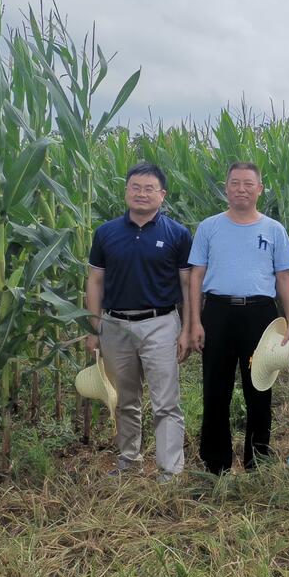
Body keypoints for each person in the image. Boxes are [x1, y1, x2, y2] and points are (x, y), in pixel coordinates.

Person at [188, 162, 289, 475]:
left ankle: (257, 461)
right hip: (218, 312)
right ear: (226, 187)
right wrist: (196, 321)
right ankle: (215, 463)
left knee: (259, 388)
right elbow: (196, 275)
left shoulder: (273, 229)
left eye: (248, 184)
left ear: (260, 189)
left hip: (260, 314)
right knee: (215, 388)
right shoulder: (209, 227)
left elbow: (284, 277)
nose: (241, 189)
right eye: (235, 183)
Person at [85, 162, 192, 483]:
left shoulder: (177, 234)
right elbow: (95, 281)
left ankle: (169, 470)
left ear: (162, 195)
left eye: (149, 189)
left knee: (165, 402)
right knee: (125, 400)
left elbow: (187, 286)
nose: (141, 194)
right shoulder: (106, 233)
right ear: (126, 191)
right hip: (115, 325)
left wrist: (187, 328)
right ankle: (128, 462)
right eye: (135, 187)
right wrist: (93, 327)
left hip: (160, 323)